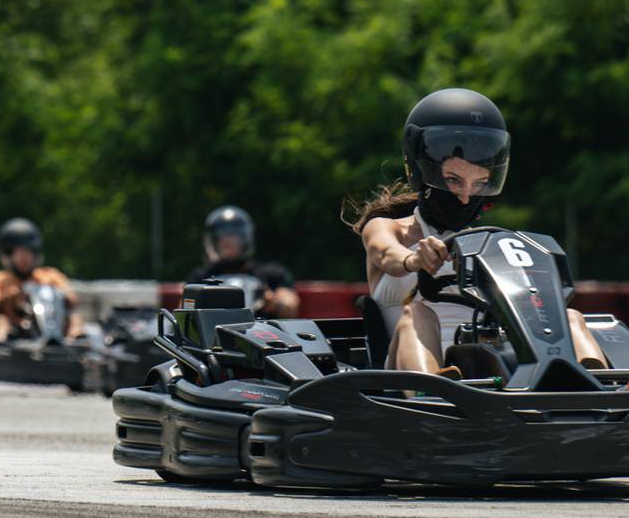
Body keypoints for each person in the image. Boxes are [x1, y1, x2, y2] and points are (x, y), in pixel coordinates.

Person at [350, 88, 605, 376]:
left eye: (479, 184)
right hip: (402, 372)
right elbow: (385, 252)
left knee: (570, 318)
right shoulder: (389, 227)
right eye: (454, 180)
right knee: (418, 313)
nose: (465, 198)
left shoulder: (487, 245)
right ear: (422, 171)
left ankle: (595, 387)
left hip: (485, 365)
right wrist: (414, 260)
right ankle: (431, 390)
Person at [184, 205, 300, 317]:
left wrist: (276, 303)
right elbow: (184, 313)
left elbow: (289, 304)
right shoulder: (199, 278)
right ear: (213, 242)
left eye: (233, 236)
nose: (228, 242)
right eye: (223, 237)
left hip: (261, 334)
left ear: (245, 239)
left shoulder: (271, 273)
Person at [0, 217, 83, 341]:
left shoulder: (49, 275)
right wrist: (9, 297)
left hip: (50, 324)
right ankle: (1, 348)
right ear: (8, 255)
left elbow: (72, 299)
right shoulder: (0, 279)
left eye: (28, 252)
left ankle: (75, 344)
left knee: (74, 318)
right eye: (19, 253)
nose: (25, 258)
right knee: (1, 321)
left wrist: (55, 294)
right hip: (18, 327)